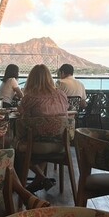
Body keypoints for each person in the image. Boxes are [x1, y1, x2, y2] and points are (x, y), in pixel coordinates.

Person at [17, 64, 69, 192]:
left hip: (38, 145)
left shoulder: (30, 98)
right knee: (45, 134)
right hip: (61, 144)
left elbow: (24, 125)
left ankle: (31, 182)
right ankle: (40, 180)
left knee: (15, 148)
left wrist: (21, 112)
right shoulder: (62, 95)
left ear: (31, 79)